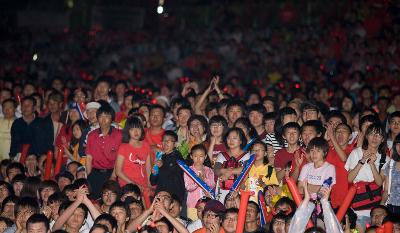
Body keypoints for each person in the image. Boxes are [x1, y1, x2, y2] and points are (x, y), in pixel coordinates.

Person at [345, 123, 389, 232]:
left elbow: (379, 183)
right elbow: (349, 179)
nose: (374, 138)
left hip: (375, 210)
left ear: (382, 139)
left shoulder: (385, 158)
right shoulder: (356, 153)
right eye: (372, 134)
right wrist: (362, 161)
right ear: (366, 136)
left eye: (378, 135)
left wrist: (372, 164)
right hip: (357, 208)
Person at [85, 104, 122, 199]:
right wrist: (90, 175)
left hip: (112, 172)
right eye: (101, 116)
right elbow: (89, 157)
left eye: (107, 116)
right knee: (94, 199)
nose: (103, 119)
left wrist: (114, 175)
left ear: (112, 119)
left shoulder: (119, 135)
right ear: (97, 118)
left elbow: (120, 157)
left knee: (111, 200)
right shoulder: (91, 135)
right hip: (95, 173)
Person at [115, 117, 151, 190]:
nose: (136, 131)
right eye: (132, 129)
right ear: (127, 131)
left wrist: (149, 184)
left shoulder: (146, 145)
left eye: (138, 128)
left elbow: (148, 168)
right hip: (127, 184)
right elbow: (118, 171)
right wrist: (136, 185)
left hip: (143, 184)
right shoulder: (123, 147)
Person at [214, 127, 249, 201]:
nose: (231, 140)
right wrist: (229, 170)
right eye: (229, 138)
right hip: (222, 192)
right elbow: (216, 170)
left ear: (241, 141)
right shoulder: (221, 155)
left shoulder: (247, 155)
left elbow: (246, 169)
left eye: (234, 138)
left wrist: (228, 172)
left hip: (239, 191)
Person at [150, 131, 185, 203]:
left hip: (174, 198)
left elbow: (175, 176)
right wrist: (154, 173)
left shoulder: (178, 158)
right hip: (160, 196)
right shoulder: (160, 157)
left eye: (168, 141)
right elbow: (153, 182)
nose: (165, 143)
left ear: (175, 144)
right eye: (164, 141)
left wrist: (162, 166)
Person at [184, 144, 215, 220]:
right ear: (191, 156)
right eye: (195, 156)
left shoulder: (209, 170)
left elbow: (212, 184)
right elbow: (188, 187)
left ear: (205, 157)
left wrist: (204, 180)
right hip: (193, 205)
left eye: (201, 156)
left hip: (207, 204)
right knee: (193, 225)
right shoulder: (188, 170)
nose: (198, 159)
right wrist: (198, 182)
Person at [382, 134, 400, 214]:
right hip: (392, 206)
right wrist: (382, 205)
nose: (399, 147)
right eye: (398, 144)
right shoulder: (391, 164)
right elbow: (386, 190)